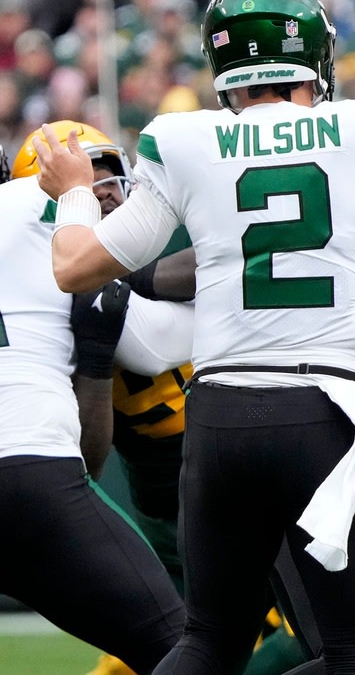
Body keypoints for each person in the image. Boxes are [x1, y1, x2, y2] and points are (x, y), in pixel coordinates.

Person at [32, 0, 355, 675]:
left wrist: (79, 196)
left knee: (208, 643)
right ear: (314, 51)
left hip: (216, 422)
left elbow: (76, 265)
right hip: (324, 414)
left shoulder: (180, 140)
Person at [0, 130, 187, 675]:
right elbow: (153, 338)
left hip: (38, 470)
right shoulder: (37, 208)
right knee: (179, 649)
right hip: (27, 472)